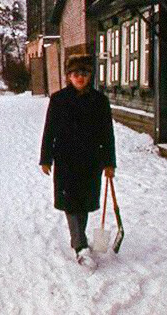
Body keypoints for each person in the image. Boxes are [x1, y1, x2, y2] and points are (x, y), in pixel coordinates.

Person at [40, 54, 116, 268]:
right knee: (70, 202)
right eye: (75, 74)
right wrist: (45, 158)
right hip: (66, 159)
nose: (79, 78)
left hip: (92, 160)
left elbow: (107, 134)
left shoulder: (100, 101)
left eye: (83, 74)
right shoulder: (58, 99)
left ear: (89, 76)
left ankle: (79, 238)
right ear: (68, 77)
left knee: (83, 202)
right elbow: (50, 130)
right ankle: (80, 245)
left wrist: (109, 163)